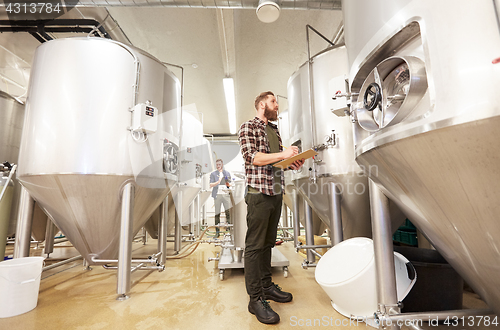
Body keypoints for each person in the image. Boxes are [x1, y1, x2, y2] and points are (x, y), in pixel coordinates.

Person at [238, 91, 305, 324]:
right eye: (274, 101)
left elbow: (275, 162)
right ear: (262, 104)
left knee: (268, 243)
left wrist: (291, 163)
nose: (277, 105)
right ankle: (255, 298)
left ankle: (266, 286)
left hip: (276, 193)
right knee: (255, 247)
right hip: (258, 194)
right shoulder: (249, 126)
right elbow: (253, 157)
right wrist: (283, 153)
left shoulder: (274, 130)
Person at [209, 159, 232, 238]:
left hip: (225, 195)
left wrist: (228, 184)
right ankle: (217, 232)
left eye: (219, 164)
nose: (218, 166)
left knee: (228, 213)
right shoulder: (213, 174)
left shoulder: (227, 173)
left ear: (222, 164)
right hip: (217, 195)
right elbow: (211, 184)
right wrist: (218, 181)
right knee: (217, 214)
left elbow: (229, 185)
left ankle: (229, 231)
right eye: (217, 165)